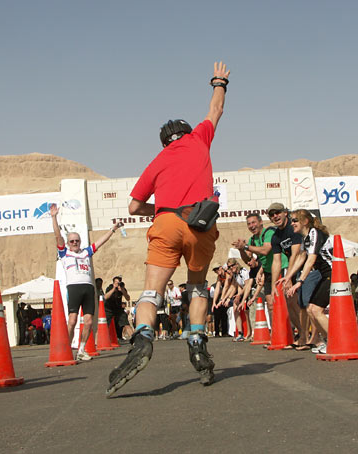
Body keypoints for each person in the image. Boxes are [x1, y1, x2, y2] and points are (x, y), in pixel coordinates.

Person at [107, 62, 230, 397]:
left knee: (151, 292)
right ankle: (197, 345)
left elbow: (133, 207)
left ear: (164, 142)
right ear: (188, 131)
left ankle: (143, 339)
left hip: (165, 222)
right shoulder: (199, 139)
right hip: (200, 224)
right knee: (197, 288)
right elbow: (216, 108)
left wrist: (160, 210)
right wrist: (219, 81)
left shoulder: (158, 161)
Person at [50, 204, 123, 361]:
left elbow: (101, 242)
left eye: (77, 240)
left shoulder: (86, 252)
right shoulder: (64, 253)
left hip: (89, 289)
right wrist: (54, 217)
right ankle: (67, 348)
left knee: (89, 321)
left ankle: (82, 349)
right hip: (74, 288)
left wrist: (113, 229)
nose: (75, 243)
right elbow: (58, 236)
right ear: (68, 243)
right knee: (72, 320)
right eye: (72, 241)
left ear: (80, 241)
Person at [282, 209, 334, 354]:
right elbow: (301, 257)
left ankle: (335, 340)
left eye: (295, 220)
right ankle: (326, 341)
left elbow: (310, 260)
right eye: (292, 220)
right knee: (310, 308)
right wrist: (288, 276)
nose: (292, 223)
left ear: (305, 222)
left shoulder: (314, 233)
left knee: (315, 309)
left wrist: (300, 281)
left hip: (333, 274)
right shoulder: (305, 238)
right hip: (325, 275)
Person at [268, 202, 307, 348]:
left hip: (306, 265)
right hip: (294, 269)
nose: (275, 216)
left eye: (278, 212)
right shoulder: (276, 237)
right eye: (272, 215)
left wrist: (289, 277)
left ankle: (310, 337)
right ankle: (303, 334)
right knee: (290, 301)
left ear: (286, 213)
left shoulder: (293, 228)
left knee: (306, 303)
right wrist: (273, 286)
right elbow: (276, 262)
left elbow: (296, 253)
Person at [232, 213, 279, 324]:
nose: (251, 226)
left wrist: (246, 247)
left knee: (285, 302)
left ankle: (294, 331)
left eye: (254, 222)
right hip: (268, 272)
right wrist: (241, 250)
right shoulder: (252, 240)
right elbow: (249, 261)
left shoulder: (269, 232)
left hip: (279, 269)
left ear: (261, 222)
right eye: (249, 224)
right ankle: (275, 334)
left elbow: (265, 250)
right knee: (270, 304)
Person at [104, 276, 131, 340]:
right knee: (107, 325)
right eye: (116, 283)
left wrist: (122, 290)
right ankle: (106, 339)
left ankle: (134, 338)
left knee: (126, 323)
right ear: (113, 283)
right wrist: (114, 288)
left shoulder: (122, 288)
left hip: (118, 309)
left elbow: (128, 298)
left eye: (119, 282)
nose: (118, 284)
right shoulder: (110, 287)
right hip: (109, 309)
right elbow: (105, 297)